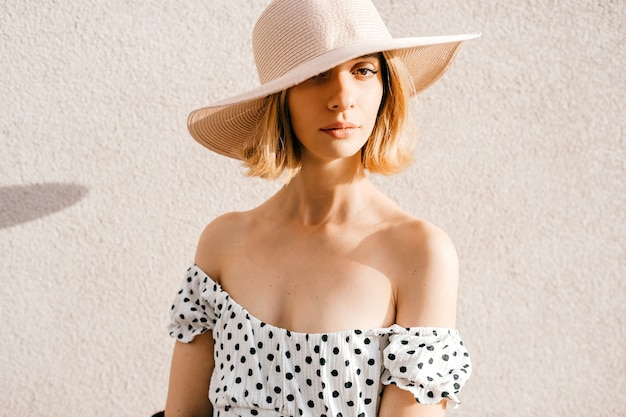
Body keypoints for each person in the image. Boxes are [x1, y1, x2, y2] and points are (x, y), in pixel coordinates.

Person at [164, 1, 479, 416]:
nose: (342, 97)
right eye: (316, 75)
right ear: (281, 98)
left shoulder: (419, 252)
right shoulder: (222, 242)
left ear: (386, 87)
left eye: (363, 70)